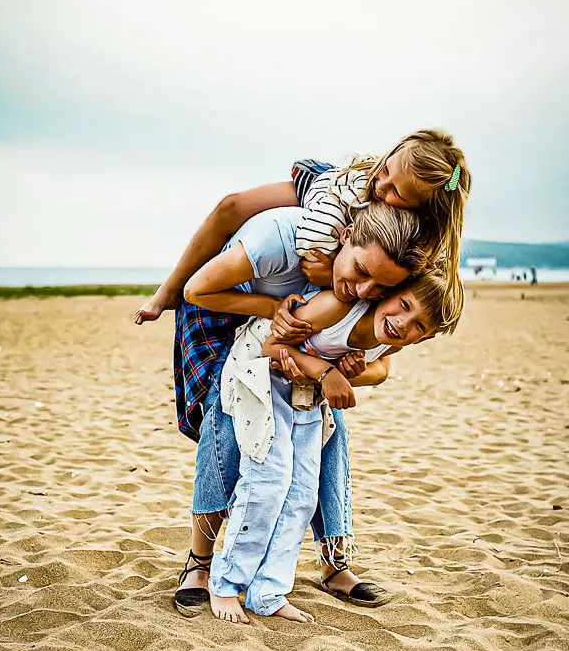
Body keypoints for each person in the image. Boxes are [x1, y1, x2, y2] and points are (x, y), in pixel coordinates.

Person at [173, 203, 426, 617]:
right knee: (230, 437)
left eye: (379, 288)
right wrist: (274, 312)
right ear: (343, 238)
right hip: (229, 323)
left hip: (301, 357)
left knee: (319, 461)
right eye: (360, 273)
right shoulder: (281, 238)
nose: (364, 290)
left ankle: (324, 566)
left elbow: (379, 362)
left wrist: (338, 373)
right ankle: (202, 566)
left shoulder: (382, 277)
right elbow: (202, 281)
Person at [202, 267, 463, 624]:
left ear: (424, 339)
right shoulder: (337, 307)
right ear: (387, 292)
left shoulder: (388, 338)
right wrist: (329, 372)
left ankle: (268, 591)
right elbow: (271, 346)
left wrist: (343, 371)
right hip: (260, 376)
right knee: (268, 482)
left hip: (305, 394)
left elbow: (380, 369)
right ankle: (226, 583)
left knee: (303, 494)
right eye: (404, 305)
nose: (404, 324)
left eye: (419, 326)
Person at [135, 128, 470, 326]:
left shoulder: (417, 240)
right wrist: (324, 258)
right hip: (327, 188)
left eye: (396, 192)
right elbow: (313, 240)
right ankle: (169, 288)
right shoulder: (367, 181)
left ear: (424, 209)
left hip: (349, 227)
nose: (380, 186)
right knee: (232, 205)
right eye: (387, 169)